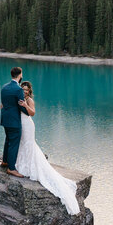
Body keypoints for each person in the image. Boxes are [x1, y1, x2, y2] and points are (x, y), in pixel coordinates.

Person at [13, 80, 80, 215]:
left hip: (27, 124)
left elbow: (32, 113)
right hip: (20, 124)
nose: (24, 91)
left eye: (26, 89)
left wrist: (26, 105)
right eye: (23, 88)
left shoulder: (29, 100)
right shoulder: (18, 97)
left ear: (29, 90)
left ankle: (31, 167)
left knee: (29, 144)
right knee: (22, 144)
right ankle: (22, 163)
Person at [0, 67, 26, 177]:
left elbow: (4, 103)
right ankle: (11, 168)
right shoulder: (18, 89)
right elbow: (21, 105)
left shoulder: (4, 87)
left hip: (5, 118)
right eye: (21, 74)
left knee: (8, 140)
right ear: (20, 75)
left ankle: (5, 161)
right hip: (14, 120)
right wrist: (28, 111)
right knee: (14, 143)